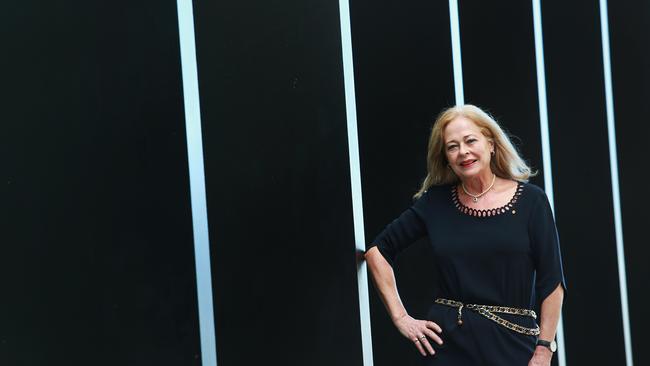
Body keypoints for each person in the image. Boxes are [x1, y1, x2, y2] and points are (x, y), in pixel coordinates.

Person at [365, 105, 567, 366]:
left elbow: (553, 282)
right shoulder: (435, 203)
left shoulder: (531, 201)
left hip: (514, 345)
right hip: (448, 346)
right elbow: (377, 252)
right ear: (446, 157)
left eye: (470, 140)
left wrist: (544, 349)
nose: (463, 152)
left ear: (491, 144)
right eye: (452, 146)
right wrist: (401, 318)